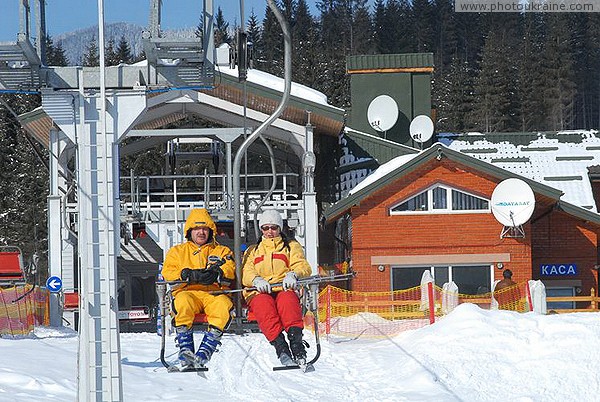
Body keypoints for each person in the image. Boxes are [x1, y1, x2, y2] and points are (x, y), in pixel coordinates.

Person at [161, 208, 235, 368]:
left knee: (223, 307)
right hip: (187, 292)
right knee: (182, 303)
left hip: (213, 293)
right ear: (190, 231)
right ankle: (186, 351)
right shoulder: (177, 252)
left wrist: (217, 273)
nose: (201, 232)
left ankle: (204, 353)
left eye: (204, 229)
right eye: (197, 229)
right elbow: (167, 272)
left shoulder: (221, 251)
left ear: (210, 231)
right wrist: (185, 274)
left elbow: (230, 268)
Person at [242, 209, 312, 367]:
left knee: (287, 300)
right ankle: (281, 347)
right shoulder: (253, 250)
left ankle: (296, 344)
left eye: (273, 227)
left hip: (282, 286)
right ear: (261, 230)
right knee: (263, 305)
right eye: (265, 228)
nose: (270, 232)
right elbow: (246, 272)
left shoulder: (290, 246)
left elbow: (303, 266)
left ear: (280, 228)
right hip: (260, 290)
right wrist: (255, 279)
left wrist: (293, 274)